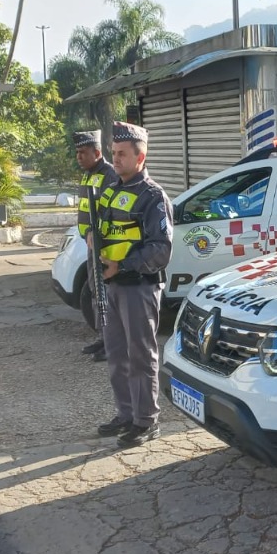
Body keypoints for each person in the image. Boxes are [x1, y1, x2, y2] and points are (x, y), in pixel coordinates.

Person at [95, 121, 173, 449]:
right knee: (116, 353)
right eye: (114, 153)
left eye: (123, 154)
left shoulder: (153, 196)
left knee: (141, 355)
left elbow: (161, 249)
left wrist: (122, 265)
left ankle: (146, 420)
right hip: (114, 286)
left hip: (139, 286)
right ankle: (126, 414)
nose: (116, 159)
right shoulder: (113, 190)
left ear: (140, 158)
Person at [73, 130, 117, 362]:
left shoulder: (109, 174)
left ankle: (111, 343)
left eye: (83, 152)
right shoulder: (89, 175)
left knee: (105, 292)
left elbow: (111, 212)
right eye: (77, 153)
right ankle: (103, 337)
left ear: (97, 152)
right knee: (95, 290)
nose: (78, 157)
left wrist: (95, 232)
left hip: (106, 246)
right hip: (91, 244)